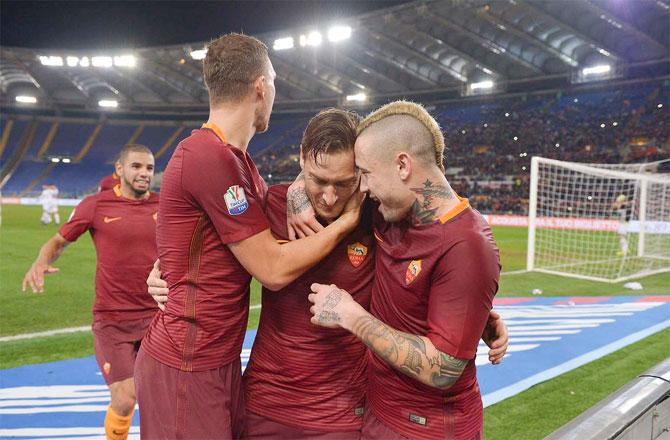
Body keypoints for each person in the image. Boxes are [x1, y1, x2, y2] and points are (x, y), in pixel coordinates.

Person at [147, 108, 509, 438]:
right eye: (318, 180)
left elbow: (447, 243)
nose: (331, 197)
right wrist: (166, 276)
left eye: (350, 181)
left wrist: (473, 317)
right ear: (302, 159)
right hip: (265, 404)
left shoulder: (379, 215)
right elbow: (200, 251)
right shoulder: (270, 207)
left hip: (344, 416)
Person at [134, 34, 363, 440]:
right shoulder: (207, 155)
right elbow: (272, 269)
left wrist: (298, 190)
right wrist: (346, 222)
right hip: (186, 359)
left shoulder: (239, 164)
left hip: (216, 359)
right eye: (274, 83)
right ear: (261, 86)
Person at [307, 101, 501, 440]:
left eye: (365, 173)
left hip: (430, 431)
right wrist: (298, 196)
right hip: (379, 413)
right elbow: (319, 171)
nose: (362, 188)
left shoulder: (468, 245)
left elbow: (443, 369)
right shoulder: (390, 211)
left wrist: (350, 315)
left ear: (402, 165)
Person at [22, 144, 158, 440]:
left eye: (149, 168)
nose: (144, 173)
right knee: (124, 399)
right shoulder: (95, 205)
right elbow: (58, 242)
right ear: (120, 170)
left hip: (158, 318)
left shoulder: (165, 206)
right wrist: (41, 261)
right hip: (113, 321)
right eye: (136, 166)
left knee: (160, 398)